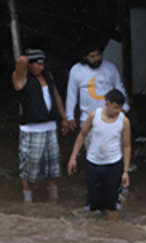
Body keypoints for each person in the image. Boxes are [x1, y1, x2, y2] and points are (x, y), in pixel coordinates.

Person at [11, 49, 69, 203]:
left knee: (52, 166)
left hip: (50, 126)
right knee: (29, 167)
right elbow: (20, 61)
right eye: (37, 64)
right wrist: (29, 56)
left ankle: (53, 199)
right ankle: (28, 201)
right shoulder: (21, 78)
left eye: (42, 64)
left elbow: (56, 96)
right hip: (32, 128)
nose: (40, 67)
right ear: (29, 65)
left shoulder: (48, 76)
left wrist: (64, 117)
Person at [67, 90, 131, 221]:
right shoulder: (93, 116)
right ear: (107, 103)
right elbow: (82, 135)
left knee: (112, 202)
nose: (118, 111)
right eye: (115, 107)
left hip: (114, 165)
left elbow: (127, 145)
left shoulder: (124, 121)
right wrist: (73, 157)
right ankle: (95, 230)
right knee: (93, 201)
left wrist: (125, 171)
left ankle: (111, 228)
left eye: (120, 108)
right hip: (93, 164)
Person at [65, 42, 129, 131]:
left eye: (98, 55)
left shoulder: (110, 68)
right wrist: (70, 116)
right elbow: (72, 94)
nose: (96, 59)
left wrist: (125, 107)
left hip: (111, 117)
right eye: (92, 56)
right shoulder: (76, 70)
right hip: (87, 119)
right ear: (85, 57)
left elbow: (120, 89)